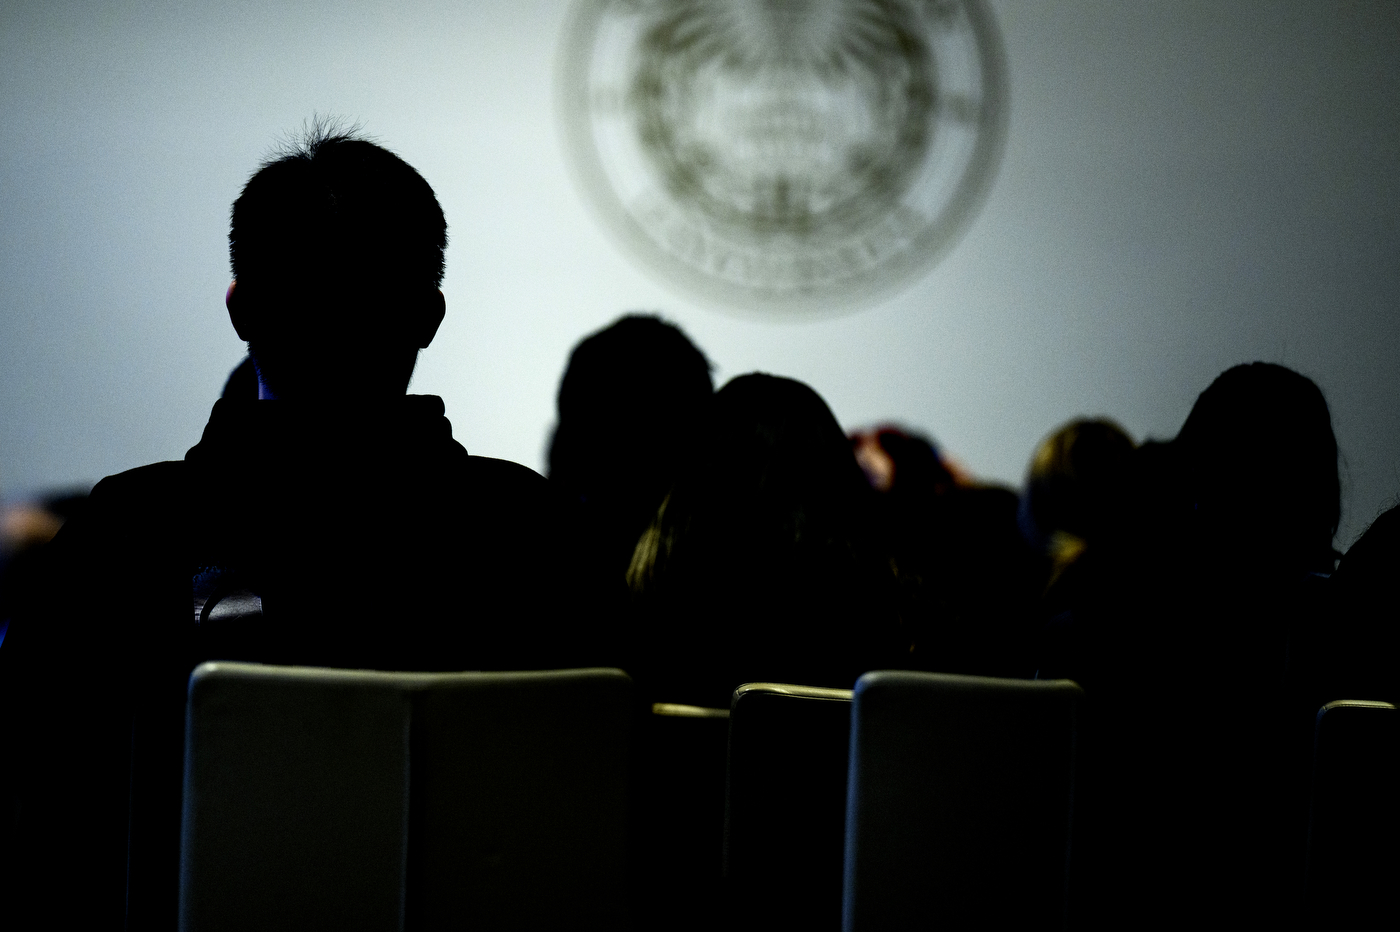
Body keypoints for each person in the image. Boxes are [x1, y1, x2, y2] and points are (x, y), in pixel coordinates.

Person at [0, 122, 567, 926]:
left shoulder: (121, 537)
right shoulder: (534, 537)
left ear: (240, 310)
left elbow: (35, 810)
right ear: (430, 316)